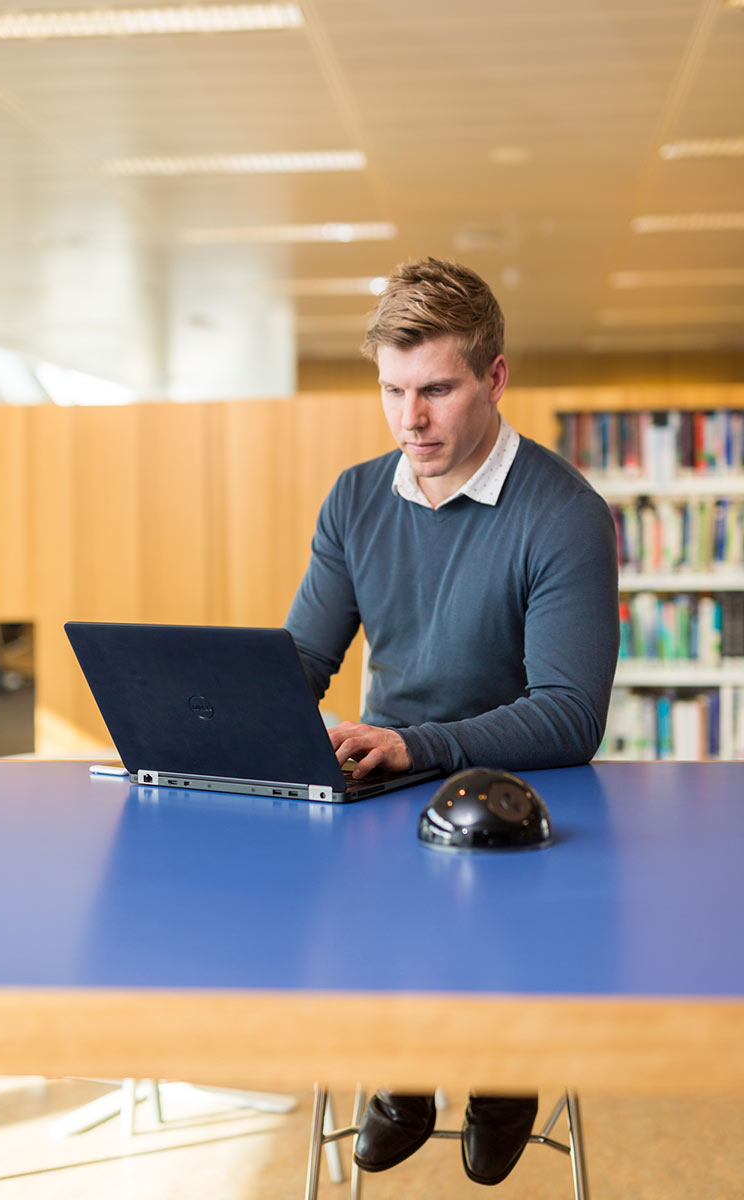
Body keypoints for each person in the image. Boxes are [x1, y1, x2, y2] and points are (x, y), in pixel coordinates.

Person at [284, 258, 620, 1184]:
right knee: (349, 900)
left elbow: (569, 715)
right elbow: (302, 664)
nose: (410, 420)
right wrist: (244, 720)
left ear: (496, 378)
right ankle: (402, 1078)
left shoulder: (564, 515)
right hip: (389, 790)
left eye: (435, 389)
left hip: (519, 803)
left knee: (486, 916)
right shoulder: (357, 498)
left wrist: (412, 745)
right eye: (393, 390)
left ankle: (504, 1080)